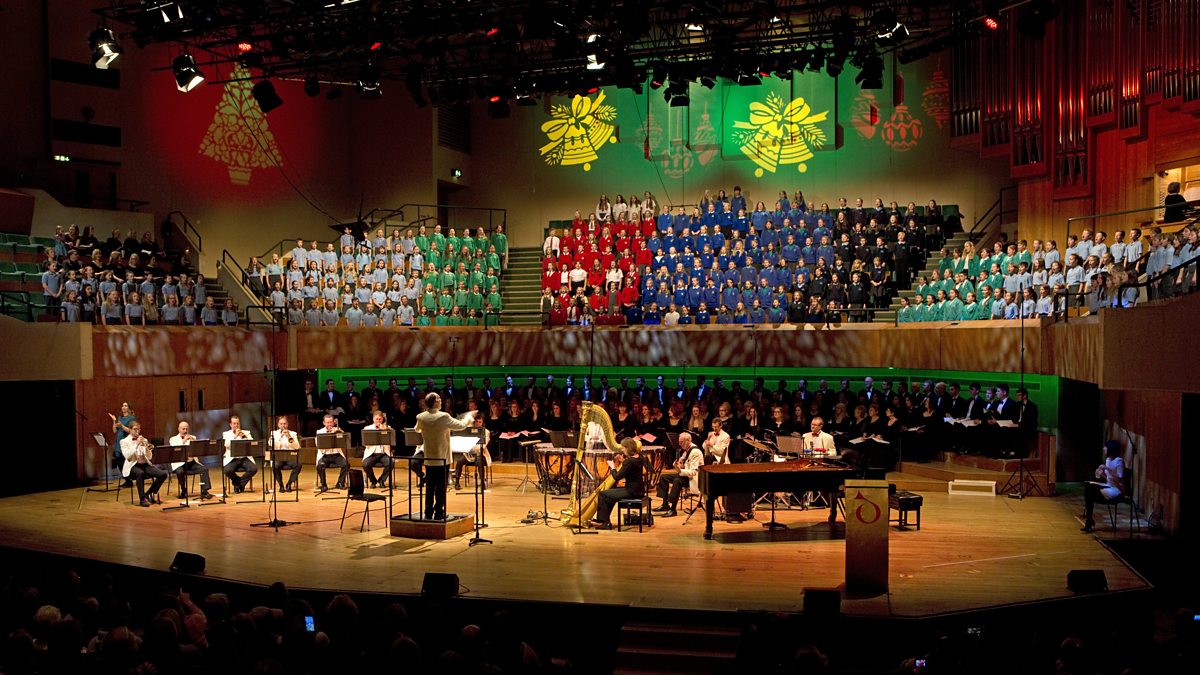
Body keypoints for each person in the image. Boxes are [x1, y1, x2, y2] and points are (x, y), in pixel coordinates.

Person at [415, 393, 475, 520]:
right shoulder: (443, 416)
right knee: (441, 487)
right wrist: (468, 418)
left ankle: (428, 511)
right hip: (442, 457)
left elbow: (417, 430)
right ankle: (438, 512)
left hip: (429, 457)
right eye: (438, 399)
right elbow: (461, 426)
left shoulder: (421, 417)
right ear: (435, 402)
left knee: (430, 486)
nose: (441, 400)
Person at [589, 438, 645, 530]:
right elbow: (631, 468)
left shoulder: (629, 462)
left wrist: (612, 467)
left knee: (603, 494)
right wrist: (623, 462)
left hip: (631, 492)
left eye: (623, 449)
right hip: (639, 490)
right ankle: (603, 520)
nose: (622, 450)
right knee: (609, 495)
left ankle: (604, 522)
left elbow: (616, 477)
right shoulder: (639, 457)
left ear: (628, 448)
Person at [653, 432, 702, 517]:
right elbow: (682, 459)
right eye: (679, 441)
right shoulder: (687, 449)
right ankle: (665, 504)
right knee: (663, 477)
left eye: (681, 441)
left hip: (692, 478)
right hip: (685, 475)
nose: (679, 443)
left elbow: (694, 472)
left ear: (688, 440)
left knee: (677, 481)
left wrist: (680, 470)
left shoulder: (695, 452)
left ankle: (673, 509)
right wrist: (679, 463)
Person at [1082, 440, 1126, 533]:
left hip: (1116, 489)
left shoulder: (1119, 461)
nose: (1104, 449)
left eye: (1105, 447)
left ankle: (1089, 521)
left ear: (1111, 449)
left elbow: (1120, 479)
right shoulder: (1107, 460)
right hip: (1108, 485)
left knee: (1090, 492)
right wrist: (1101, 473)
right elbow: (1108, 478)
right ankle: (1089, 520)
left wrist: (1107, 469)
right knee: (1089, 486)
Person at [120, 422, 166, 507]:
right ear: (130, 430)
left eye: (139, 429)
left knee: (163, 474)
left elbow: (149, 457)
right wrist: (136, 444)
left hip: (144, 464)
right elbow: (127, 456)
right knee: (139, 473)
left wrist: (147, 449)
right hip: (132, 466)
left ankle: (148, 493)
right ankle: (142, 499)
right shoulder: (124, 441)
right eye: (135, 429)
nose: (137, 431)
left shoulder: (144, 440)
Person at [168, 421, 213, 500]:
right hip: (180, 463)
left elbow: (197, 450)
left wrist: (194, 443)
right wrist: (184, 441)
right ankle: (183, 490)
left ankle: (205, 491)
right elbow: (177, 450)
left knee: (204, 469)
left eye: (187, 429)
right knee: (180, 472)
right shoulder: (173, 439)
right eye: (183, 429)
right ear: (179, 429)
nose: (185, 431)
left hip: (191, 462)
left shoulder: (193, 437)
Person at [221, 415, 258, 493]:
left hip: (244, 458)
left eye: (237, 423)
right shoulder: (226, 434)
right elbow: (226, 444)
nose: (236, 425)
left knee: (253, 469)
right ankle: (238, 483)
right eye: (234, 423)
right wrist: (235, 436)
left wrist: (244, 437)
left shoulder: (246, 432)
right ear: (230, 424)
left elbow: (251, 443)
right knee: (227, 470)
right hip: (232, 458)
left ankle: (238, 485)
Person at [315, 413, 349, 492]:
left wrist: (340, 434)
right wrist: (328, 435)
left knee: (346, 464)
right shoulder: (319, 432)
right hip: (325, 455)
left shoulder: (337, 430)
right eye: (327, 422)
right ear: (324, 423)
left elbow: (344, 442)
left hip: (337, 455)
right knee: (320, 465)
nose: (329, 424)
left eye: (331, 422)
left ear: (333, 422)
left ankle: (340, 483)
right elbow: (318, 445)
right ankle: (323, 485)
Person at [361, 410, 395, 489]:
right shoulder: (367, 429)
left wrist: (384, 429)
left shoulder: (387, 428)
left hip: (383, 453)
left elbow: (392, 437)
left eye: (380, 419)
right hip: (371, 454)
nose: (378, 421)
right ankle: (373, 481)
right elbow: (365, 444)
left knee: (391, 463)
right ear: (373, 419)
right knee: (365, 465)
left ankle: (382, 480)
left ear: (382, 419)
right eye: (377, 419)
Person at [270, 416, 303, 492]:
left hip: (290, 457)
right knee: (275, 465)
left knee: (299, 464)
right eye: (281, 424)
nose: (283, 425)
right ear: (278, 425)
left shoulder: (293, 434)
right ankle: (281, 485)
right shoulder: (274, 434)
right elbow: (271, 445)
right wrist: (280, 437)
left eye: (284, 423)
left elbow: (297, 446)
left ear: (287, 424)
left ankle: (289, 484)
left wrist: (289, 437)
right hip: (279, 457)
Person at [108, 401, 137, 472]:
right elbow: (115, 431)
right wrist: (114, 421)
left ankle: (129, 479)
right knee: (118, 461)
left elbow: (131, 431)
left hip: (126, 440)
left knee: (125, 461)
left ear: (129, 408)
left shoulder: (132, 418)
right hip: (118, 441)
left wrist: (122, 426)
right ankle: (127, 480)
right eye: (123, 406)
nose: (123, 407)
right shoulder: (120, 418)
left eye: (125, 406)